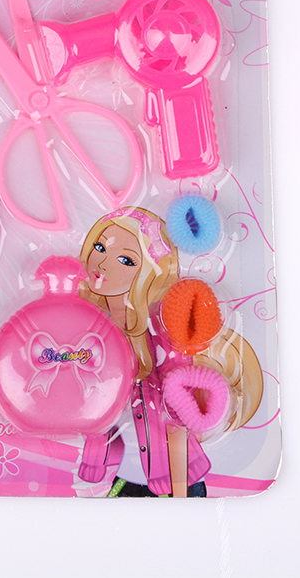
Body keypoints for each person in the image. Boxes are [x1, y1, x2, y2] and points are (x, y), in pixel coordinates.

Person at [78, 207, 263, 497]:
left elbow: (176, 421)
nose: (101, 263)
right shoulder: (90, 333)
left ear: (149, 274)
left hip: (174, 484)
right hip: (123, 480)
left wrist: (180, 497)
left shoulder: (157, 335)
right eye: (99, 247)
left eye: (126, 260)